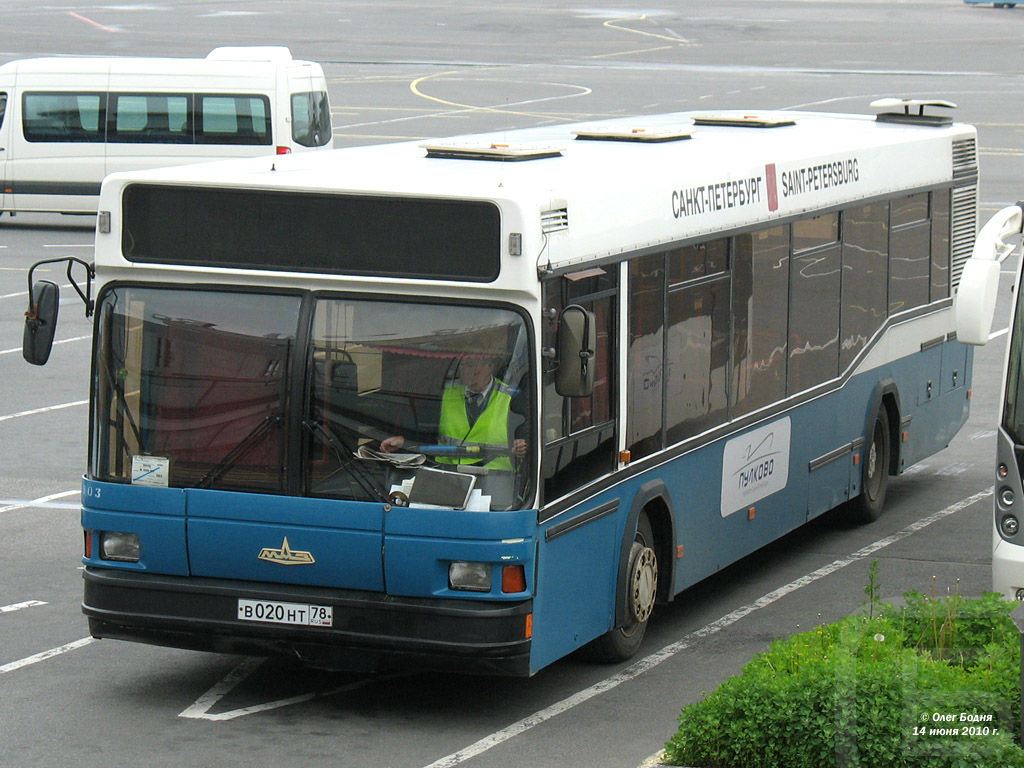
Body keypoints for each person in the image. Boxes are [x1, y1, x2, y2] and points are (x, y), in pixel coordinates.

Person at [380, 355, 526, 469]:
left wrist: (522, 446)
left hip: (495, 478)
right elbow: (427, 432)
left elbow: (528, 438)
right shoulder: (446, 393)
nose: (465, 370)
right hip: (448, 472)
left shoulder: (513, 397)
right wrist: (405, 442)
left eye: (470, 365)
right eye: (461, 365)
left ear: (490, 366)